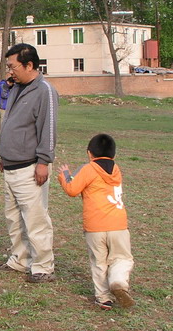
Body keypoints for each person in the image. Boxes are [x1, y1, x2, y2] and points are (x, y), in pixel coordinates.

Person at [0, 43, 58, 283]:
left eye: (13, 66)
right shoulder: (16, 88)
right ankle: (20, 260)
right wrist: (4, 155)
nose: (10, 71)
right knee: (13, 218)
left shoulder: (44, 91)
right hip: (10, 166)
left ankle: (43, 267)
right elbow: (11, 123)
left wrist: (44, 161)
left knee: (35, 220)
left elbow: (48, 129)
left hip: (30, 168)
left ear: (29, 65)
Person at [56, 133, 135, 310]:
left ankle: (103, 297)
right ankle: (118, 281)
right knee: (121, 258)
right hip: (118, 225)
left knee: (98, 262)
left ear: (89, 153)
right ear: (114, 155)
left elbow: (72, 189)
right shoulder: (116, 169)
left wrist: (64, 175)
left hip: (95, 227)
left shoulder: (89, 169)